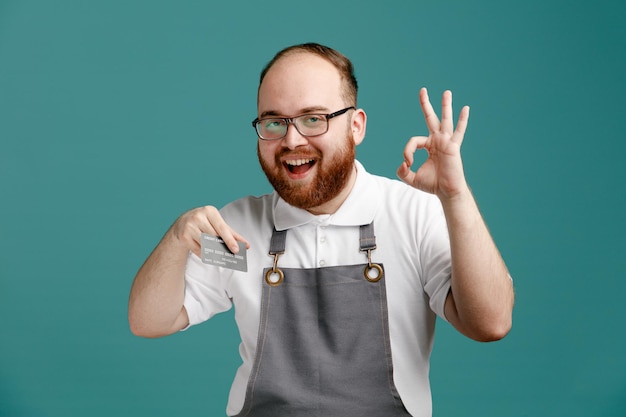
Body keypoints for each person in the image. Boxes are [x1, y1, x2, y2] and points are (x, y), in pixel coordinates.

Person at [128, 42, 514, 417]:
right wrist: (177, 239)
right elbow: (149, 321)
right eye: (275, 122)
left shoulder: (413, 214)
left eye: (314, 118)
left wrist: (455, 195)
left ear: (356, 126)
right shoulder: (239, 230)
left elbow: (490, 323)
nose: (292, 139)